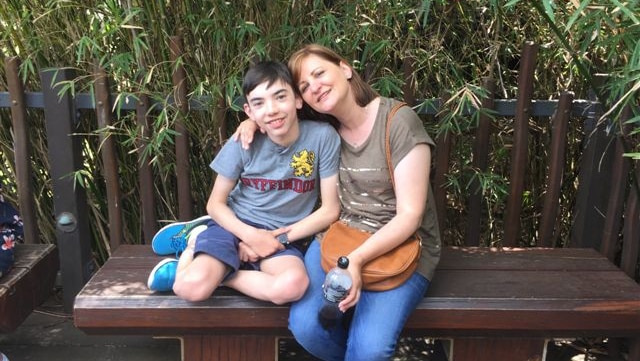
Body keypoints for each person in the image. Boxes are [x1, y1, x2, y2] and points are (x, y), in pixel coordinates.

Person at [235, 44, 441, 361]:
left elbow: (410, 216)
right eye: (304, 85)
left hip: (403, 244)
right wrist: (251, 124)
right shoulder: (322, 132)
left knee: (370, 351)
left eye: (319, 73)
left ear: (345, 69)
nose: (314, 86)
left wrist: (355, 262)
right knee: (307, 328)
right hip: (340, 235)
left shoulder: (398, 122)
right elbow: (275, 118)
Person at [147, 60, 341, 305]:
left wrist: (273, 240)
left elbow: (330, 210)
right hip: (235, 225)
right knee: (190, 288)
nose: (271, 110)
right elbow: (215, 204)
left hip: (282, 234)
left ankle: (222, 273)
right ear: (249, 111)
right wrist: (250, 236)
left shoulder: (322, 137)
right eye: (259, 103)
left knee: (293, 286)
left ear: (298, 100)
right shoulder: (243, 140)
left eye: (280, 97)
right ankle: (189, 253)